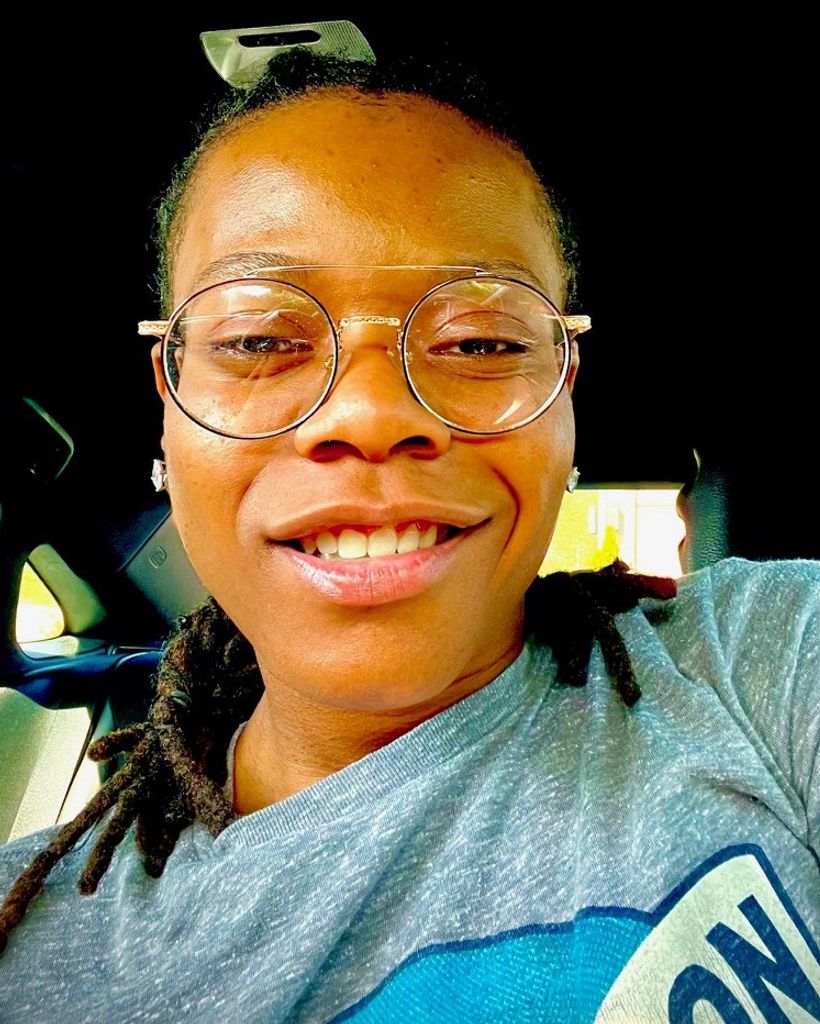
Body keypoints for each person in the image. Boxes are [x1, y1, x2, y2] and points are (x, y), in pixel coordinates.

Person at [0, 41, 818, 1023]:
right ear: (170, 403)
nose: (371, 413)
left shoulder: (760, 663)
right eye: (258, 340)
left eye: (479, 340)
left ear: (564, 395)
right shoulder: (31, 951)